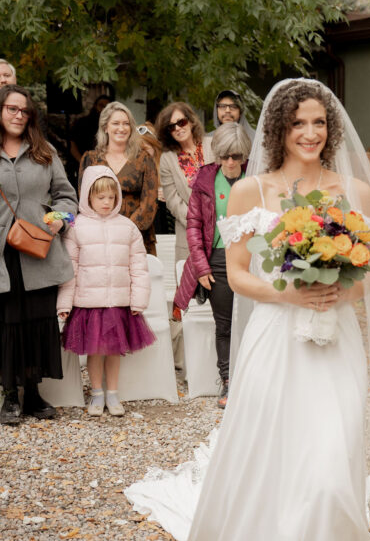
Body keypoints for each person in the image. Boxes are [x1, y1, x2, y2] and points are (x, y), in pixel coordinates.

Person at [126, 78, 370, 541]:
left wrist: (335, 291)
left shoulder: (353, 192)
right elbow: (239, 272)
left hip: (333, 338)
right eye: (300, 124)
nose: (311, 134)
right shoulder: (250, 192)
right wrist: (291, 295)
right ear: (279, 129)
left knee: (332, 457)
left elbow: (368, 268)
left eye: (319, 123)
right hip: (276, 335)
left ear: (331, 127)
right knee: (280, 456)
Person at [0, 85, 77, 424]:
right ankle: (9, 397)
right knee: (7, 325)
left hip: (38, 250)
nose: (18, 115)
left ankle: (32, 393)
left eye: (24, 111)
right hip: (2, 256)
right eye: (11, 109)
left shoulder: (44, 152)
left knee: (35, 323)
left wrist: (59, 222)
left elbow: (67, 198)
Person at [58, 167, 154, 418]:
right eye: (100, 197)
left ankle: (113, 393)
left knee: (113, 350)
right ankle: (97, 393)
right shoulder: (76, 227)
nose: (106, 202)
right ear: (88, 196)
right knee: (95, 350)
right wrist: (64, 303)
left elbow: (139, 267)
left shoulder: (127, 227)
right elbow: (71, 269)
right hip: (89, 304)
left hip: (118, 303)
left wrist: (139, 300)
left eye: (111, 197)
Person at [172, 121, 251, 408]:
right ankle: (228, 381)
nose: (230, 163)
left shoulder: (254, 178)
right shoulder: (205, 180)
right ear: (216, 155)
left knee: (255, 322)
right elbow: (193, 224)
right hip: (217, 259)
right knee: (225, 325)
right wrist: (202, 266)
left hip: (250, 257)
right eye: (225, 156)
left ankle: (253, 380)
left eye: (237, 157)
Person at [80, 102, 158, 255]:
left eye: (126, 124)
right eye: (115, 123)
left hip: (137, 235)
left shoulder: (144, 158)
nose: (121, 128)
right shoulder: (90, 159)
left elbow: (150, 202)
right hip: (99, 237)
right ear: (105, 127)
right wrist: (107, 229)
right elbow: (84, 201)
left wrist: (125, 230)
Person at [157, 102, 214, 266]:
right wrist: (198, 222)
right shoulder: (167, 159)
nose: (178, 129)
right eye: (171, 127)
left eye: (181, 122)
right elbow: (173, 201)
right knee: (190, 287)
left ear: (191, 121)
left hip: (220, 229)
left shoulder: (213, 145)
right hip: (189, 232)